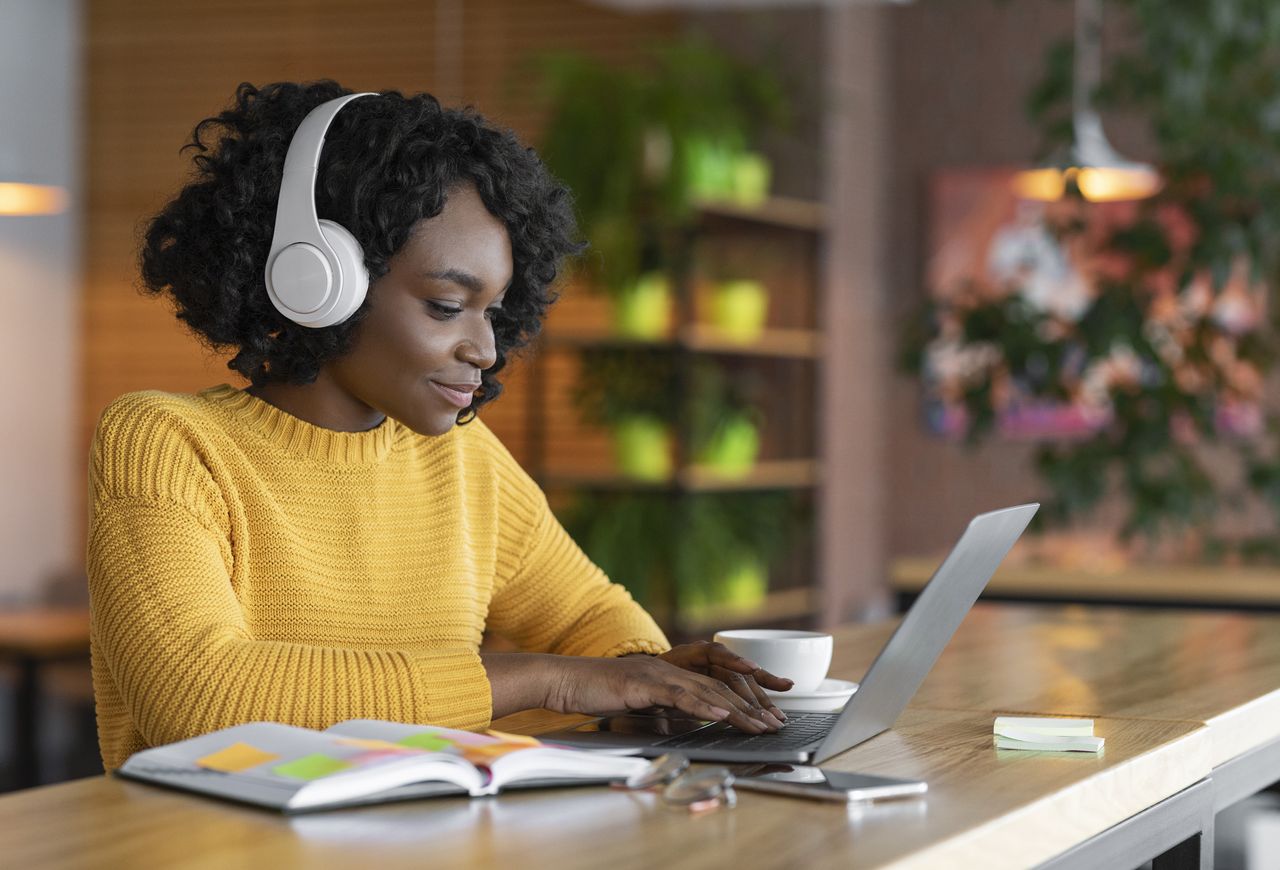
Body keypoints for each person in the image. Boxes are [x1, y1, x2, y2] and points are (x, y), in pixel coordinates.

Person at [85, 80, 790, 773]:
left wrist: (647, 677)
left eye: (494, 311)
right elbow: (198, 697)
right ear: (319, 280)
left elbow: (595, 620)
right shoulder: (166, 443)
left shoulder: (461, 459)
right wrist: (553, 681)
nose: (485, 349)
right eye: (448, 305)